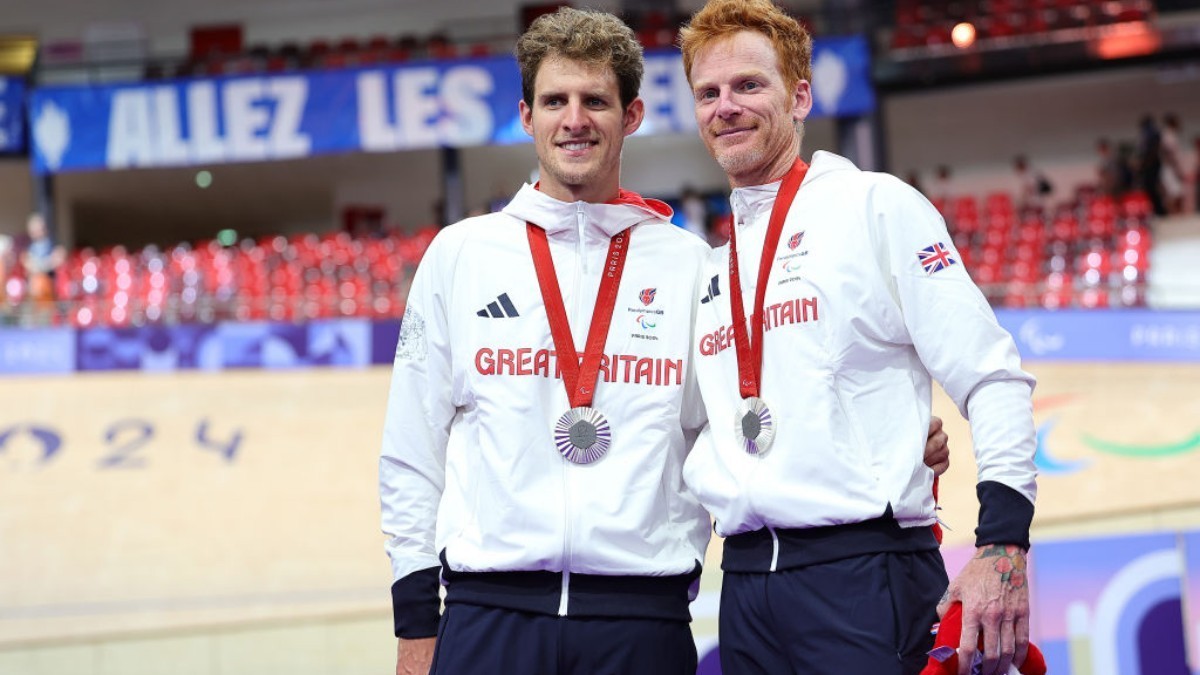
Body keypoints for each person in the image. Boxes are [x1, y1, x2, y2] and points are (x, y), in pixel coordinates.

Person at [379, 7, 952, 675]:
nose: (574, 119)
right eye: (554, 101)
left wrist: (890, 429)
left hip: (642, 623)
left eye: (595, 100)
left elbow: (740, 419)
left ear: (632, 115)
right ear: (526, 116)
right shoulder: (459, 256)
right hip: (488, 614)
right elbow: (410, 453)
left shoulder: (693, 267)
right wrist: (417, 624)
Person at [678, 2, 1038, 675]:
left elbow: (992, 376)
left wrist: (1002, 545)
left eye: (749, 85)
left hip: (864, 576)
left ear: (800, 96)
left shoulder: (877, 205)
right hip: (748, 588)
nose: (726, 106)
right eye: (709, 92)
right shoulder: (711, 266)